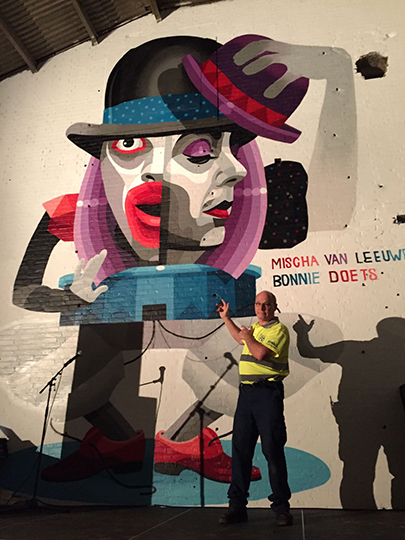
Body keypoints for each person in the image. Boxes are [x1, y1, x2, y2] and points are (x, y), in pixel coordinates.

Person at [217, 290, 293, 527]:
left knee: (272, 451)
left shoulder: (278, 330)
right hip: (247, 394)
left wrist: (248, 337)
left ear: (274, 307)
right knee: (241, 451)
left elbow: (259, 353)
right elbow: (240, 339)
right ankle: (237, 507)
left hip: (267, 394)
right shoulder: (254, 330)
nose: (262, 308)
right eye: (258, 304)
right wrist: (226, 318)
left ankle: (281, 508)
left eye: (267, 304)